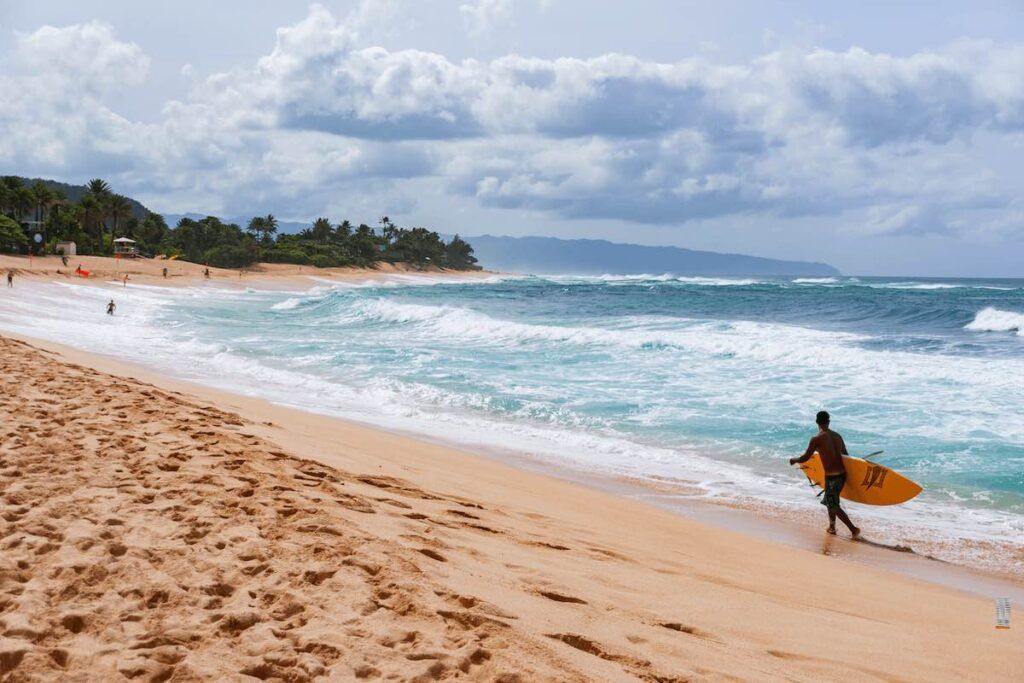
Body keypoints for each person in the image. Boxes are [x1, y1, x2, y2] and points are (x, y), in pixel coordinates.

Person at [790, 411, 860, 537]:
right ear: (829, 421)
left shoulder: (816, 439)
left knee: (832, 504)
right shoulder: (838, 436)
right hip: (842, 475)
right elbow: (846, 456)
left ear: (817, 422)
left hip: (832, 478)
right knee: (830, 500)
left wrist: (795, 460)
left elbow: (806, 457)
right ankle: (832, 527)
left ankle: (853, 529)